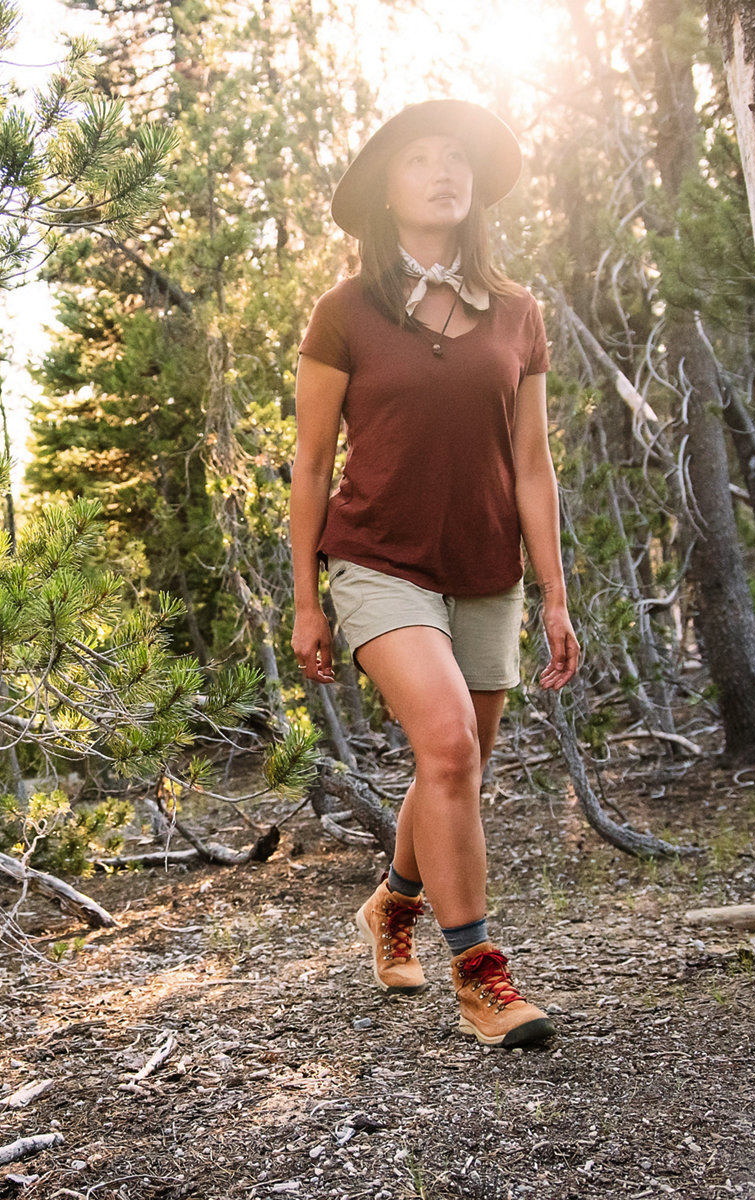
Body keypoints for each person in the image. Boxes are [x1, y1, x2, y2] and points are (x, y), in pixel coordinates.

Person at [289, 100, 580, 1049]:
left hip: (488, 569)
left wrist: (556, 594)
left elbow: (532, 465)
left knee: (460, 763)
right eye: (420, 158)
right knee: (449, 745)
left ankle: (392, 905)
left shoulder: (518, 311)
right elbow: (310, 460)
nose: (444, 172)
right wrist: (305, 598)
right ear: (387, 186)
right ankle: (482, 979)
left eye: (457, 158)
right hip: (377, 562)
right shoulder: (345, 312)